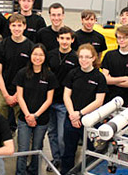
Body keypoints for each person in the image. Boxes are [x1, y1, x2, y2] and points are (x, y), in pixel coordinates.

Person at [61, 43, 108, 174]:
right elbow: (66, 95)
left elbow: (99, 101)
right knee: (68, 151)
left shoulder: (99, 77)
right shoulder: (72, 73)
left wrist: (80, 114)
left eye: (87, 57)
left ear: (94, 58)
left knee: (92, 152)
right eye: (81, 57)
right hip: (71, 119)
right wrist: (72, 115)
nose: (84, 60)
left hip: (91, 121)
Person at [13, 44, 57, 175]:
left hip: (42, 120)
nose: (37, 57)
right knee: (23, 149)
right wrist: (28, 115)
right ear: (30, 56)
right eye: (35, 54)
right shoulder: (22, 73)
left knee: (37, 148)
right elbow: (19, 96)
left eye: (41, 55)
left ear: (45, 57)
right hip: (24, 119)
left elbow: (49, 100)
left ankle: (33, 172)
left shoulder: (49, 76)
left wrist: (35, 116)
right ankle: (20, 173)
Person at [0, 13, 34, 130]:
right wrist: (6, 95)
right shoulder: (2, 45)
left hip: (22, 92)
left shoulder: (31, 47)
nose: (16, 29)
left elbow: (30, 73)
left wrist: (16, 95)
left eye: (19, 25)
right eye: (14, 25)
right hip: (2, 91)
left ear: (24, 26)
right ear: (9, 26)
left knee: (23, 128)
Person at [46, 26, 79, 172]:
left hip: (64, 103)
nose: (64, 41)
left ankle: (65, 160)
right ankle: (56, 159)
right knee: (52, 133)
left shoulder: (76, 58)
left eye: (67, 39)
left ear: (72, 40)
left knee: (61, 135)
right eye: (62, 38)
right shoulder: (50, 55)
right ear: (57, 39)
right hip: (49, 101)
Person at [101, 25, 128, 106]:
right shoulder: (109, 55)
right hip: (109, 101)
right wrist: (124, 78)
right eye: (119, 38)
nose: (121, 40)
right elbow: (104, 80)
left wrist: (112, 80)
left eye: (124, 38)